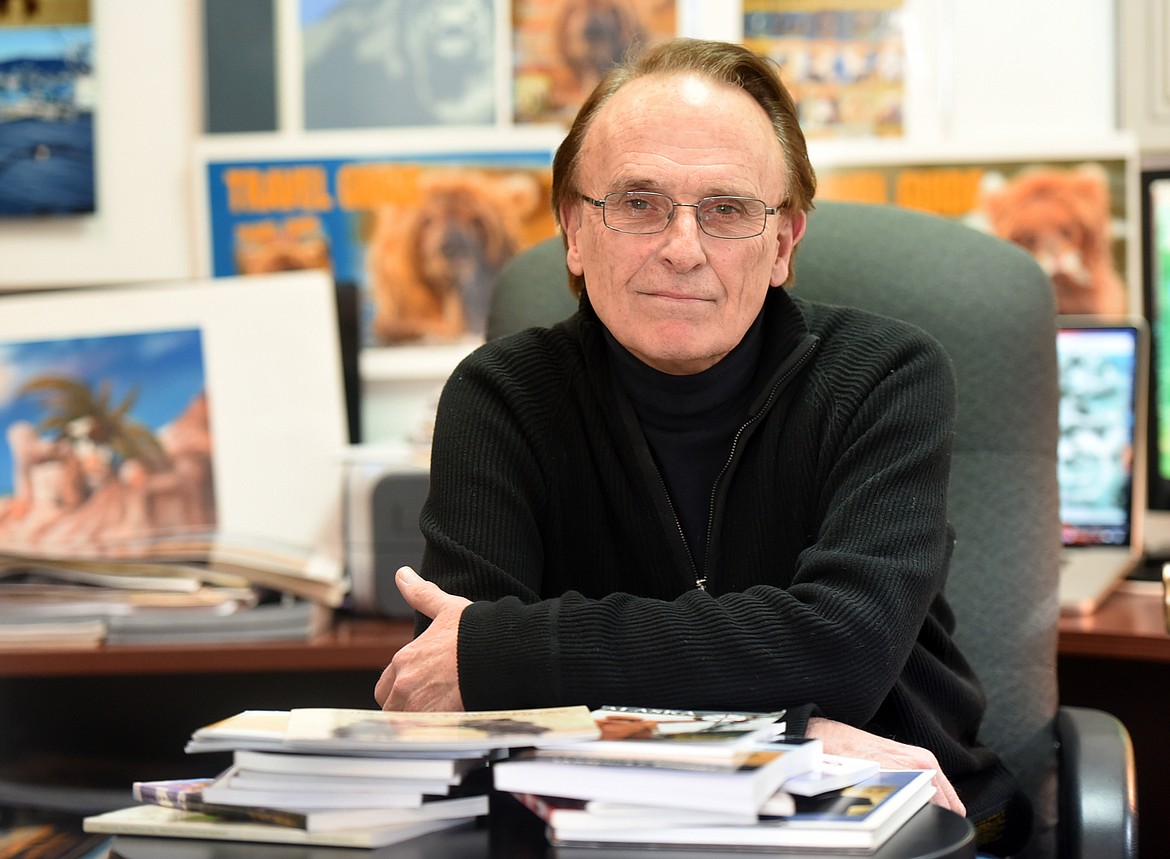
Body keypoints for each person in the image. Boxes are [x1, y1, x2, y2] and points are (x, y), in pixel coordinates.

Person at [374, 37, 1031, 856]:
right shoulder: (500, 396)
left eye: (726, 209)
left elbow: (844, 647)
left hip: (896, 821)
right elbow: (464, 707)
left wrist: (514, 646)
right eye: (640, 202)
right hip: (603, 834)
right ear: (576, 231)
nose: (683, 247)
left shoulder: (885, 376)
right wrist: (793, 730)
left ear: (784, 244)